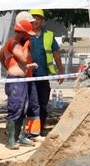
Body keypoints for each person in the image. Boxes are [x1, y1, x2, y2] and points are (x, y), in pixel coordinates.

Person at [0, 13, 39, 150]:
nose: (29, 36)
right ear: (22, 33)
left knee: (23, 109)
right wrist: (28, 43)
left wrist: (26, 67)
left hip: (22, 80)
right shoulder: (13, 43)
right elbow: (23, 58)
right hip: (15, 81)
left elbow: (23, 62)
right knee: (15, 109)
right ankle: (10, 140)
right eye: (27, 34)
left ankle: (20, 136)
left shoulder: (18, 43)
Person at [26, 8, 64, 138]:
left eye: (38, 17)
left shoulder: (48, 35)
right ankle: (30, 131)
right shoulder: (25, 35)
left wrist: (61, 71)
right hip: (28, 76)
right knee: (31, 103)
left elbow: (56, 53)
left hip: (43, 76)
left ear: (42, 20)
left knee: (42, 103)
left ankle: (39, 129)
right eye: (33, 18)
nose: (35, 20)